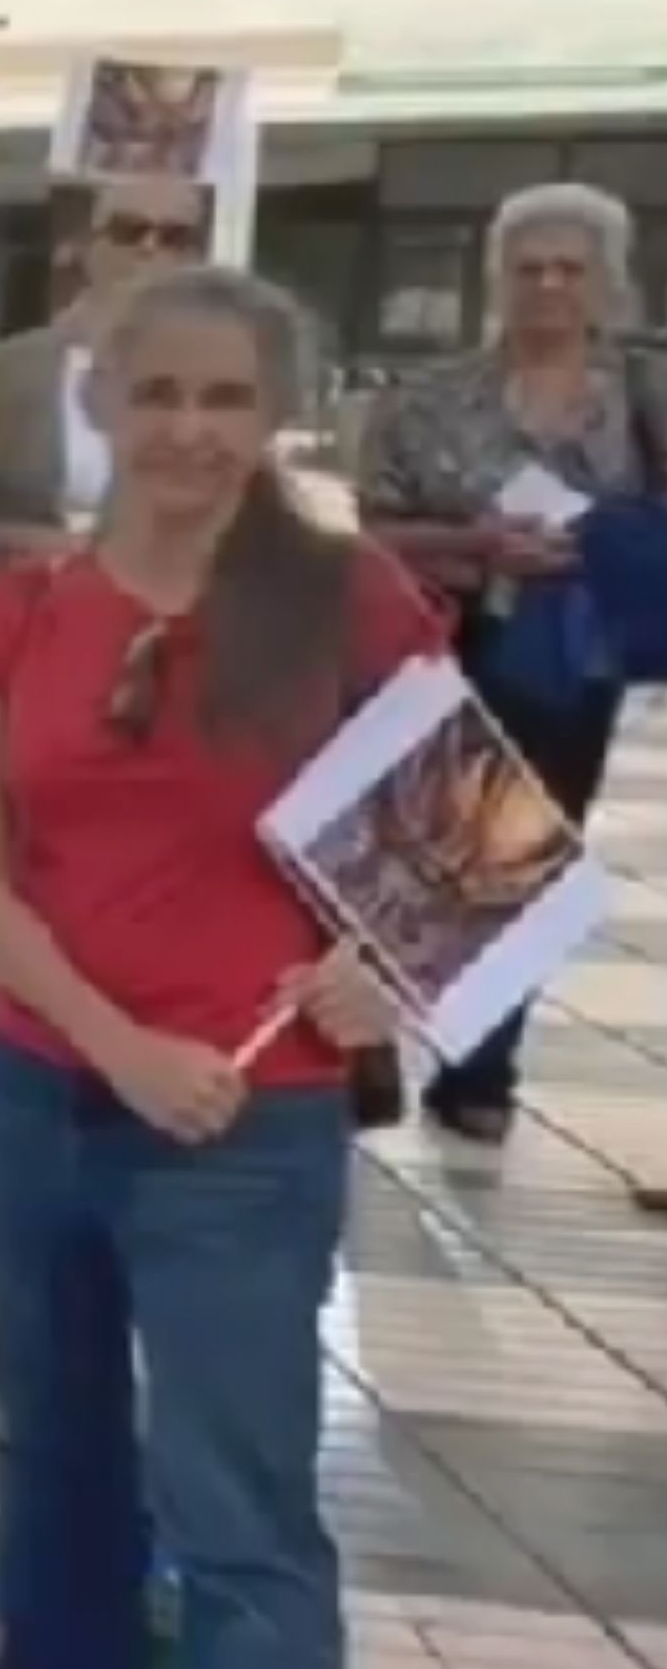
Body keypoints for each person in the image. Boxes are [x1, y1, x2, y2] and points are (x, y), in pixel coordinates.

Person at [0, 264, 446, 1669]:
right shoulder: (18, 618)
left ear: (274, 414)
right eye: (160, 396)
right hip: (34, 1092)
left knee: (241, 1514)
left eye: (226, 400)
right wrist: (111, 1042)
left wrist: (388, 967)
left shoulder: (347, 601)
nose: (192, 432)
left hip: (243, 1131)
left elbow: (469, 854)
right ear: (102, 405)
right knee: (50, 1430)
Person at [353, 181, 651, 1144]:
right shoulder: (429, 400)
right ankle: (360, 1040)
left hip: (574, 660)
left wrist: (594, 544)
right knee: (409, 853)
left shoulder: (644, 395)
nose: (549, 287)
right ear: (498, 282)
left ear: (606, 282)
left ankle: (481, 1067)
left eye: (570, 269)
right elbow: (374, 531)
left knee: (526, 857)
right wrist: (475, 542)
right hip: (443, 639)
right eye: (529, 270)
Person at [0, 177, 215, 560]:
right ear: (85, 247)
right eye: (129, 230)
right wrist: (53, 547)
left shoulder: (224, 379)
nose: (149, 247)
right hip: (26, 602)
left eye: (174, 237)